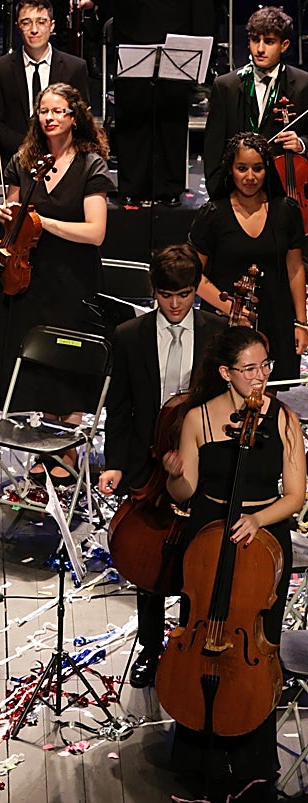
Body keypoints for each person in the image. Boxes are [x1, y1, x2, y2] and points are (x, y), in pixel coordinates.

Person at [163, 326, 305, 803]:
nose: (261, 376)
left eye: (265, 365)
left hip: (262, 537)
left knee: (256, 639)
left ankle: (251, 758)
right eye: (250, 368)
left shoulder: (282, 418)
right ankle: (196, 752)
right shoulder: (198, 418)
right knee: (202, 629)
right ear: (226, 373)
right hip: (210, 532)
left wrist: (259, 519)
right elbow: (186, 489)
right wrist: (174, 472)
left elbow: (296, 495)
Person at [96, 244, 225, 689]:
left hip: (201, 464)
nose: (175, 304)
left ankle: (189, 646)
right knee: (149, 563)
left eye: (184, 295)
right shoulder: (129, 335)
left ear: (196, 290)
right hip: (146, 464)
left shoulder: (217, 333)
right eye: (166, 295)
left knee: (198, 559)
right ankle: (150, 649)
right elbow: (120, 405)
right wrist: (115, 463)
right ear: (153, 290)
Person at [0, 82, 112, 483]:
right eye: (44, 111)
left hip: (72, 278)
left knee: (67, 362)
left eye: (58, 111)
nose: (50, 118)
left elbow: (95, 232)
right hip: (29, 273)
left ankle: (67, 446)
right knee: (37, 364)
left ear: (74, 117)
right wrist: (10, 215)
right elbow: (14, 218)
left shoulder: (91, 165)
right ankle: (45, 443)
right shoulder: (24, 160)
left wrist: (44, 222)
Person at [189, 132, 306, 388]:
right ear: (230, 170)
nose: (250, 177)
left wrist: (301, 322)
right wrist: (231, 308)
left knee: (269, 396)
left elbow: (295, 268)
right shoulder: (212, 214)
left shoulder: (286, 210)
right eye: (242, 168)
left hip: (276, 320)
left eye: (257, 168)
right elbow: (193, 273)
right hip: (223, 321)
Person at [111, 0, 215, 206]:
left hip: (178, 38)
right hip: (132, 34)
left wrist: (199, 38)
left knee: (172, 117)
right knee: (133, 115)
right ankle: (133, 187)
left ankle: (169, 188)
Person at [202, 6, 308, 199]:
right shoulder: (226, 86)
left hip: (285, 192)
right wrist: (218, 196)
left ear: (284, 45)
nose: (260, 49)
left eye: (269, 42)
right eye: (254, 40)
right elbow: (213, 150)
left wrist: (302, 143)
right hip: (235, 192)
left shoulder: (303, 84)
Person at [0, 0, 91, 172]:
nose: (34, 29)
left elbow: (82, 120)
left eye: (41, 22)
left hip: (62, 164)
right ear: (18, 27)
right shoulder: (1, 69)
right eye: (26, 23)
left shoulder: (75, 68)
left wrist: (54, 148)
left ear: (52, 26)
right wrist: (28, 148)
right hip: (14, 164)